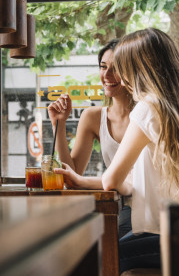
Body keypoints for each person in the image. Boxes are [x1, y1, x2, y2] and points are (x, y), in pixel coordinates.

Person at [58, 28, 179, 272]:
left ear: (140, 69)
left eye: (123, 68)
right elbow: (128, 183)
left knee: (91, 259)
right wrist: (80, 181)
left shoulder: (148, 107)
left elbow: (112, 180)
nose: (120, 77)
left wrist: (89, 181)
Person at [48, 38, 135, 238]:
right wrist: (58, 125)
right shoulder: (93, 117)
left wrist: (81, 181)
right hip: (124, 207)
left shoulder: (146, 113)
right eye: (103, 67)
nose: (107, 75)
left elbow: (79, 179)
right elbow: (73, 172)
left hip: (152, 204)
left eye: (115, 68)